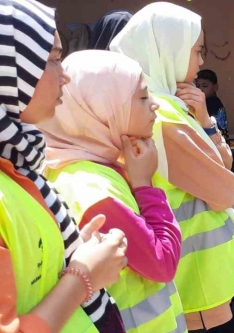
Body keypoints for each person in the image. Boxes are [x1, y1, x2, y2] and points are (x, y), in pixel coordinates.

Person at [110, 3, 234, 332]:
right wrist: (206, 126)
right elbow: (224, 190)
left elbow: (223, 168)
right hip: (196, 281)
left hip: (188, 273)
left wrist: (206, 122)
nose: (201, 62)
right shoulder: (163, 117)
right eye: (197, 51)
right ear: (168, 49)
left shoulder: (161, 105)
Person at [0, 1, 127, 332]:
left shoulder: (19, 163)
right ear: (11, 70)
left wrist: (68, 250)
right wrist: (82, 277)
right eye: (54, 59)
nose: (65, 75)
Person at [38, 50, 186, 333]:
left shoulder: (80, 166)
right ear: (103, 108)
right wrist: (145, 185)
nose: (154, 105)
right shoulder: (93, 189)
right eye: (143, 97)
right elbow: (163, 264)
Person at [195, 69, 229, 140]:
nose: (200, 89)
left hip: (214, 142)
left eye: (205, 86)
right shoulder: (215, 102)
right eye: (197, 86)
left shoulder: (210, 103)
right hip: (221, 142)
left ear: (215, 87)